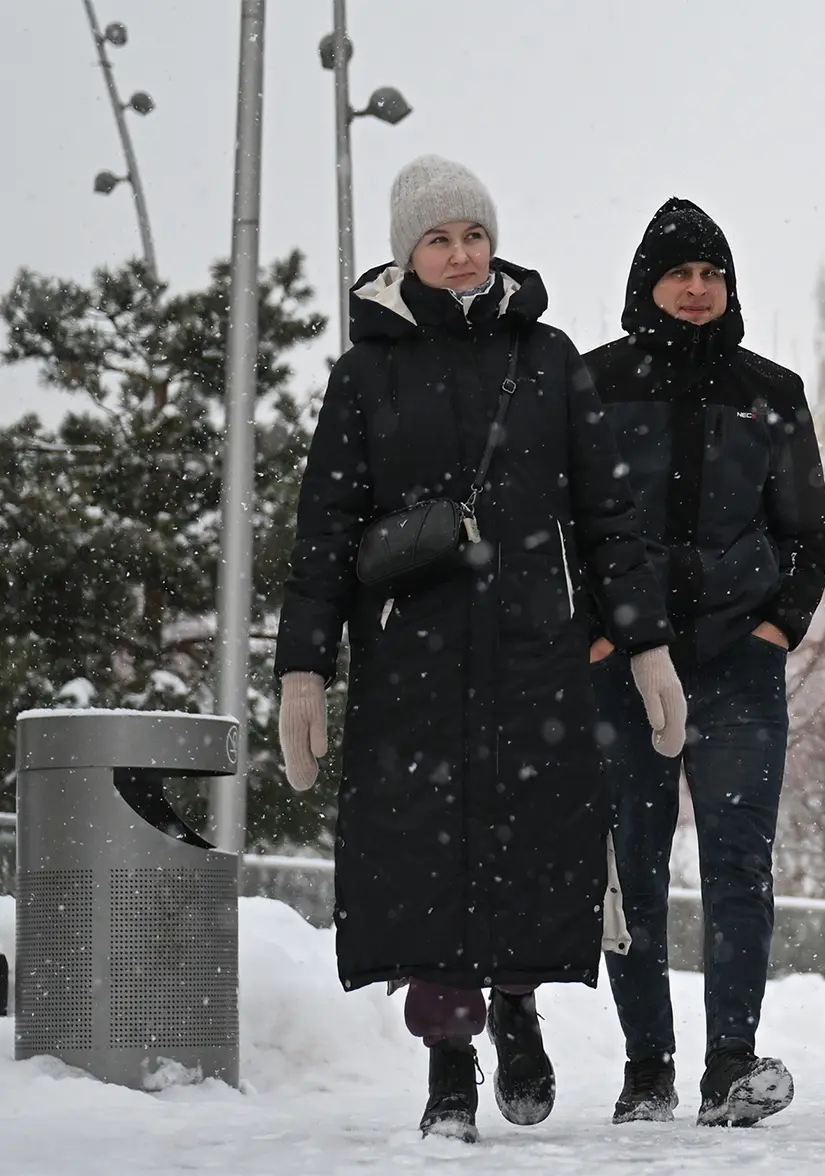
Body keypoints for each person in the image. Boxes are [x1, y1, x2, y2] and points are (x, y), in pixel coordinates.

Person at [274, 156, 688, 1143]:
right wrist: (303, 668)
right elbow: (324, 531)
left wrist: (645, 645)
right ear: (404, 252)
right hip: (408, 660)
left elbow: (608, 521)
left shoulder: (546, 360)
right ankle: (449, 1064)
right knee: (425, 862)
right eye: (437, 239)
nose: (460, 256)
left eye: (473, 236)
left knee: (529, 848)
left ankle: (516, 1007)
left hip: (531, 653)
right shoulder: (363, 374)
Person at [582, 198, 825, 1127]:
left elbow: (806, 529)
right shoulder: (594, 385)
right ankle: (646, 1066)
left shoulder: (772, 389)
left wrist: (780, 626)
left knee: (737, 866)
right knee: (631, 867)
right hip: (623, 661)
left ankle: (730, 1058)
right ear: (648, 284)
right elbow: (566, 525)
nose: (697, 290)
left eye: (711, 275)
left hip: (737, 661)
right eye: (680, 273)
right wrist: (598, 633)